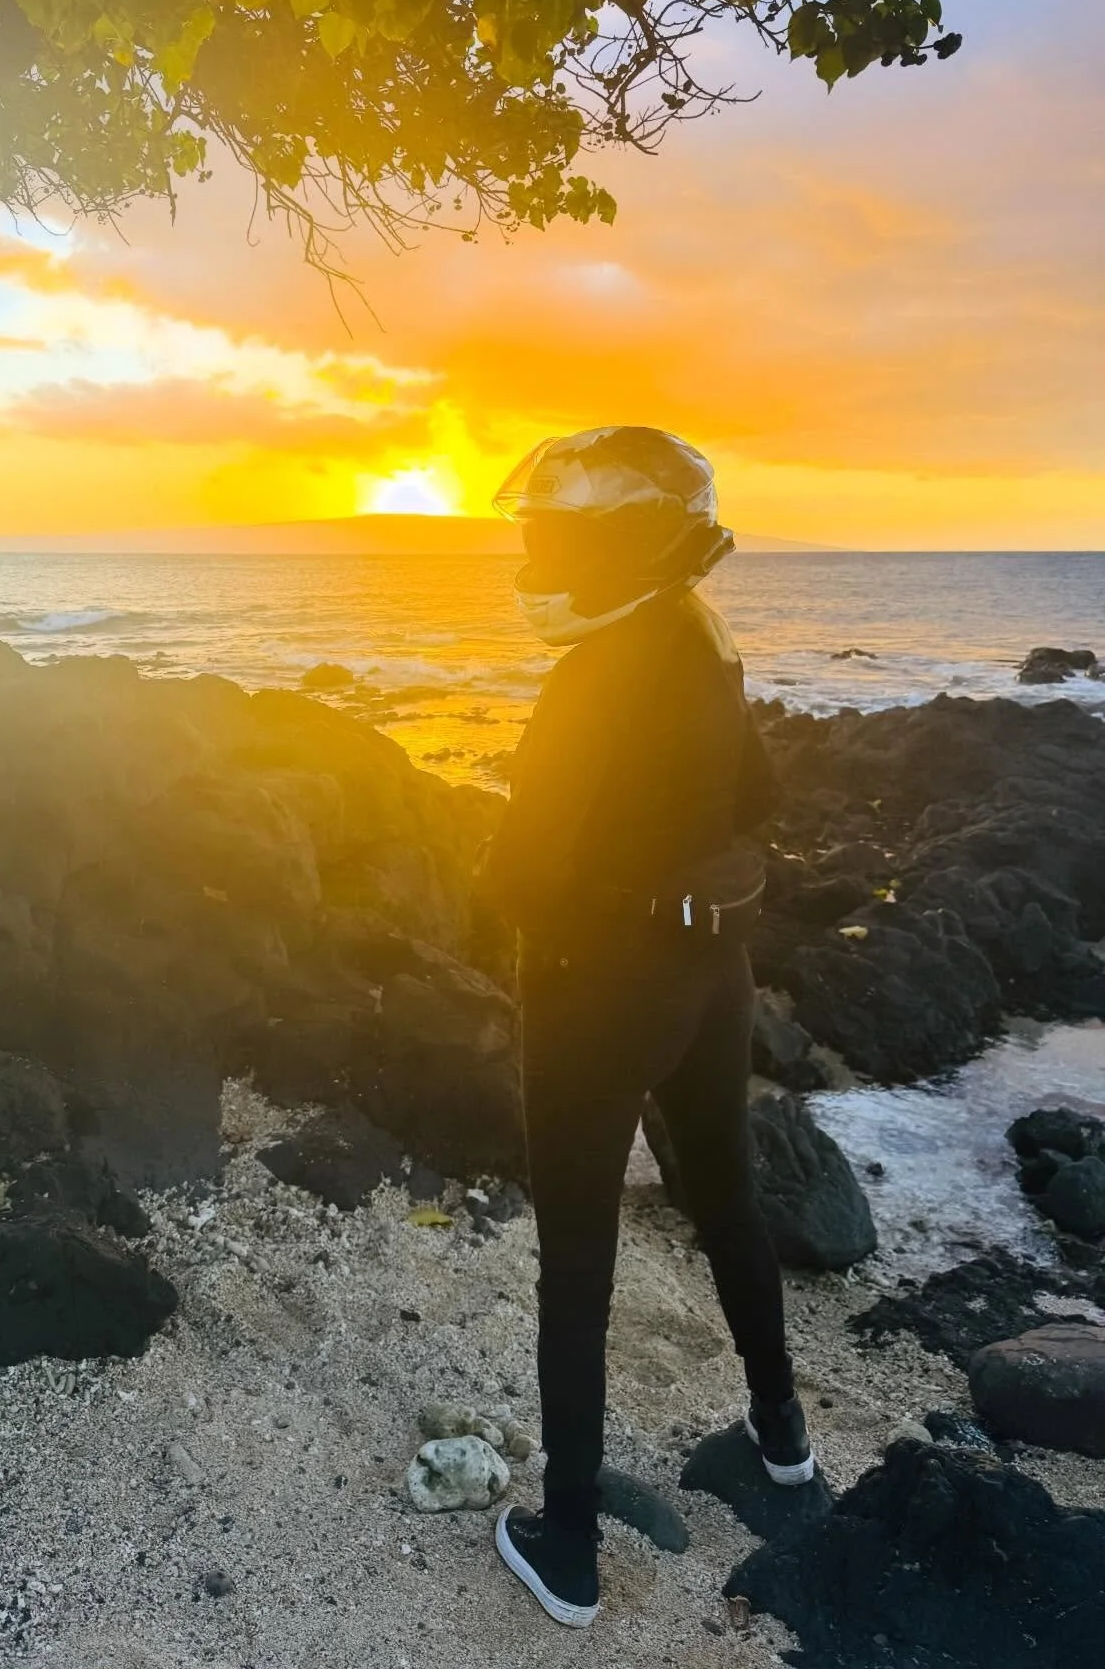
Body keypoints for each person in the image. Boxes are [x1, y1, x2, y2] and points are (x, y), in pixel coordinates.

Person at [478, 425, 812, 1629]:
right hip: (710, 974)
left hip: (595, 995)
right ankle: (783, 1441)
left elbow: (520, 876)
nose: (537, 554)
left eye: (556, 535)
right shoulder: (700, 632)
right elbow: (761, 793)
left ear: (627, 541)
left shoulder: (592, 672)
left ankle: (566, 1546)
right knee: (728, 1201)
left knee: (577, 1263)